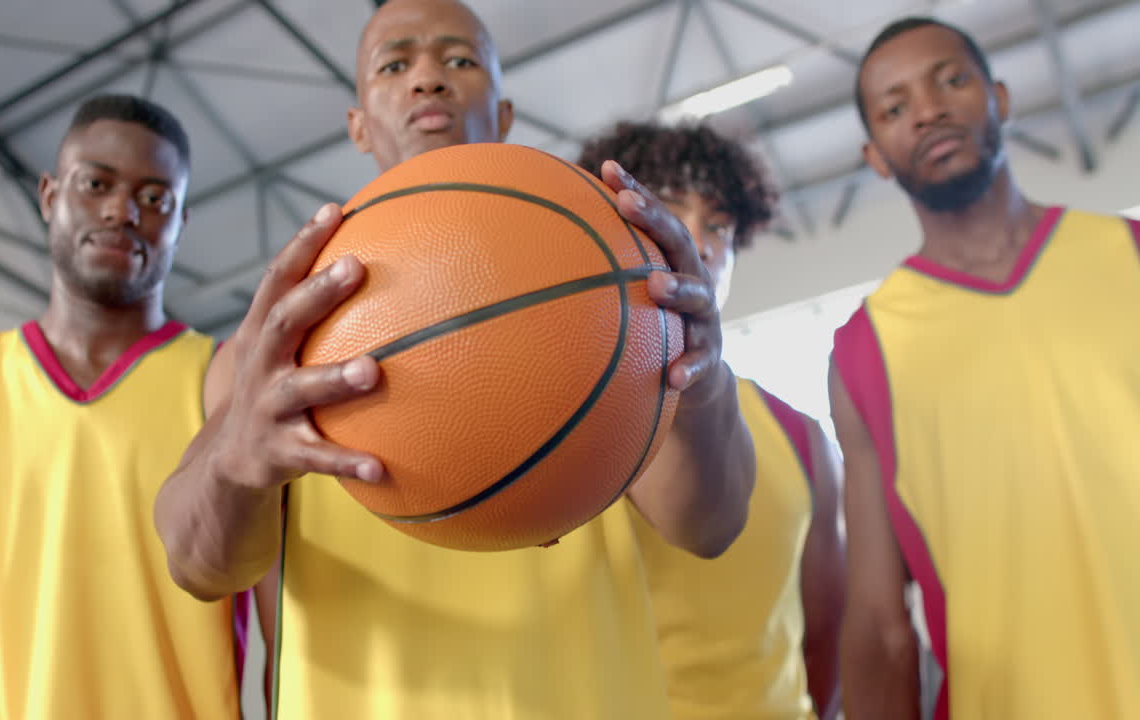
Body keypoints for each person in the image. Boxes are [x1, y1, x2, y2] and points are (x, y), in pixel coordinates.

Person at [152, 0, 757, 718]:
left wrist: (704, 377)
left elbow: (708, 527)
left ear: (502, 113)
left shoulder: (608, 287)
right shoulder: (282, 329)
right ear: (357, 123)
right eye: (395, 63)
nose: (429, 79)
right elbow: (198, 567)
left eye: (459, 60)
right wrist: (234, 464)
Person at [0, 94, 262, 719]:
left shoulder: (222, 384)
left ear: (181, 221)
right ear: (50, 195)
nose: (121, 210)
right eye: (96, 183)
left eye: (156, 198)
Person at [832, 16, 1140, 720]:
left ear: (998, 98)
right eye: (895, 107)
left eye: (951, 81)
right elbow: (880, 626)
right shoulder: (865, 350)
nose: (930, 110)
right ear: (876, 155)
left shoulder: (1129, 252)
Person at [578, 121, 846, 720]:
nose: (698, 242)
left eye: (719, 226)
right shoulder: (570, 415)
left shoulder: (800, 434)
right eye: (669, 212)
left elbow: (825, 631)